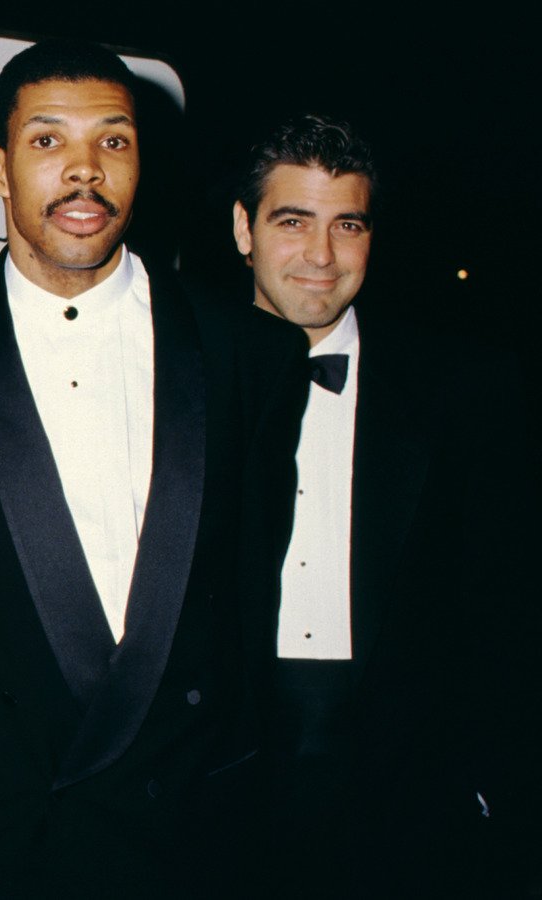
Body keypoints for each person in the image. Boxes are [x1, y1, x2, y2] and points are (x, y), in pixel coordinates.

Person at [0, 40, 307, 896]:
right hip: (4, 838)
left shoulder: (253, 353)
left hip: (197, 836)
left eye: (113, 141)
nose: (84, 170)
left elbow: (249, 600)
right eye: (48, 140)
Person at [232, 114, 539, 896]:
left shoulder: (467, 389)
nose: (321, 255)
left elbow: (509, 609)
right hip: (223, 788)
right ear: (243, 229)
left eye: (348, 225)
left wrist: (494, 792)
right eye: (293, 222)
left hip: (409, 800)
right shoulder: (175, 384)